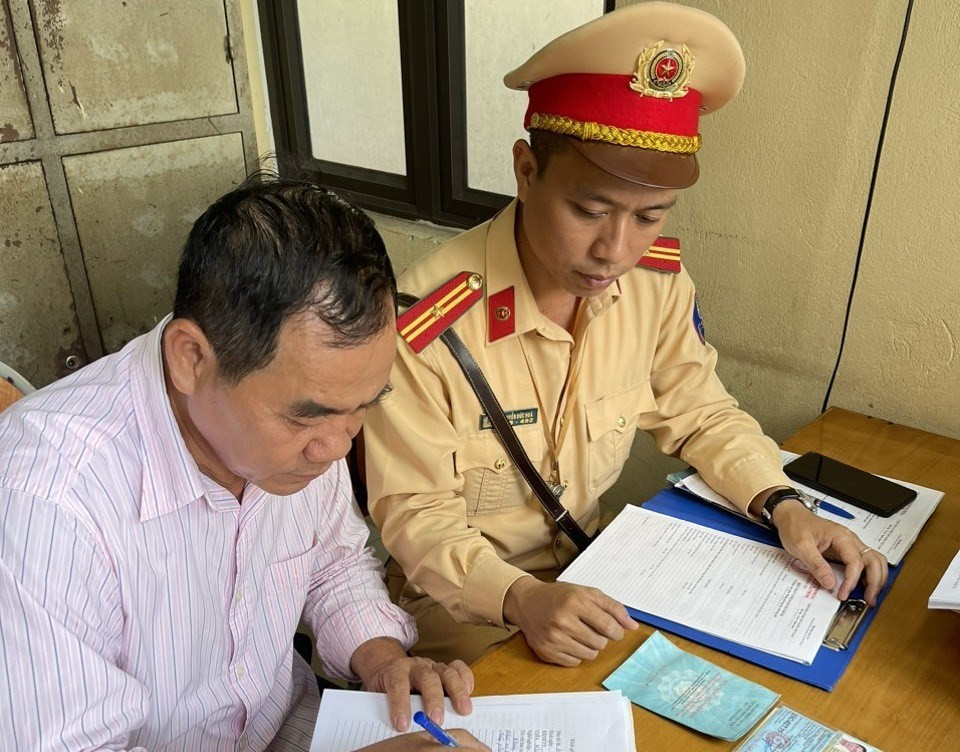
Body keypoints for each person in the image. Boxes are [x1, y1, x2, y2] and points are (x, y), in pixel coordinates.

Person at [363, 1, 889, 668]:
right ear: (526, 171)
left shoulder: (653, 284)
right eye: (590, 210)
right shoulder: (427, 321)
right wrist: (522, 598)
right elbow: (415, 514)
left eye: (649, 217)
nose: (615, 250)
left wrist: (784, 504)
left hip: (594, 567)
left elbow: (700, 412)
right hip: (464, 604)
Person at [0, 175, 487, 752]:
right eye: (305, 417)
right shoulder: (47, 501)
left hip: (290, 731)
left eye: (363, 406)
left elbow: (333, 564)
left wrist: (382, 660)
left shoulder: (311, 420)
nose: (336, 449)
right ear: (191, 359)